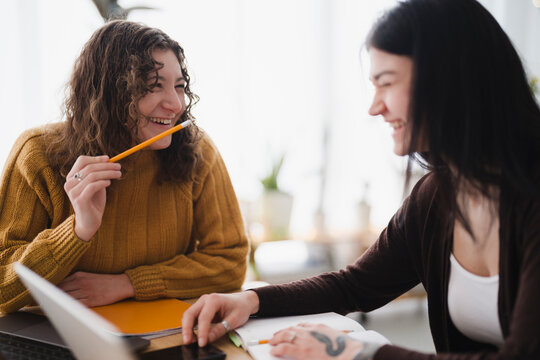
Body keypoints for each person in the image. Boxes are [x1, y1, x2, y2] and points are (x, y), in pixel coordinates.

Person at [181, 0, 540, 358]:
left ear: (449, 79)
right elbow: (354, 286)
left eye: (385, 83)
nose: (375, 107)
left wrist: (355, 352)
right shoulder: (436, 197)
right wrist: (251, 300)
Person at [0, 20, 249, 313]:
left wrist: (127, 284)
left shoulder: (197, 151)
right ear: (111, 92)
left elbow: (230, 263)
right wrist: (78, 230)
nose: (175, 104)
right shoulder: (38, 154)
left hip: (159, 335)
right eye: (154, 86)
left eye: (179, 87)